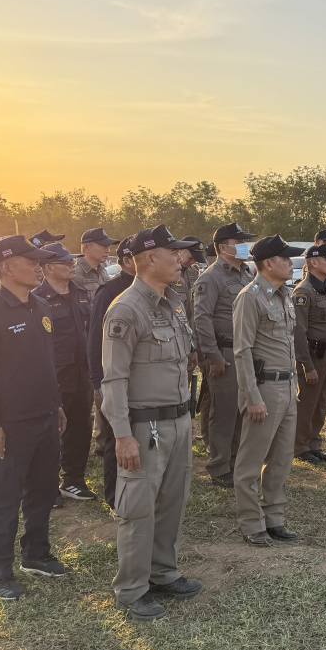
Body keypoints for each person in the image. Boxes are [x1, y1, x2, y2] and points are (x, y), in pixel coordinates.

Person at [101, 226, 203, 621]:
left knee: (172, 502)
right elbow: (114, 379)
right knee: (138, 509)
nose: (179, 259)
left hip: (178, 419)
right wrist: (122, 435)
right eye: (171, 253)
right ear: (147, 259)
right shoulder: (126, 310)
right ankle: (132, 589)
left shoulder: (172, 304)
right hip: (145, 429)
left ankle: (163, 572)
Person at [0, 236, 71, 600]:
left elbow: (46, 364)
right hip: (10, 425)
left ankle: (36, 554)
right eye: (31, 262)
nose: (38, 267)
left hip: (45, 417)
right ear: (7, 267)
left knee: (43, 490)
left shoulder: (40, 306)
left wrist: (56, 404)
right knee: (4, 498)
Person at [230, 235, 302, 547]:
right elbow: (242, 351)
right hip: (264, 389)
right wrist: (252, 397)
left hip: (287, 387)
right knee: (251, 461)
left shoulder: (284, 295)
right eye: (285, 259)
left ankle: (274, 518)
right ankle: (251, 523)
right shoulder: (250, 297)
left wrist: (294, 384)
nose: (290, 263)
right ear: (269, 263)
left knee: (282, 458)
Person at [192, 222, 256, 487]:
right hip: (224, 352)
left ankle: (235, 460)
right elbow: (202, 318)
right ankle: (219, 466)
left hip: (245, 351)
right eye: (238, 242)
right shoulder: (210, 277)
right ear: (222, 247)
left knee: (243, 410)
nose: (243, 246)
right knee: (224, 412)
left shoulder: (246, 273)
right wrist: (213, 355)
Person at [33, 242, 95, 503]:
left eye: (72, 261)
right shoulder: (37, 299)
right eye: (65, 262)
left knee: (81, 427)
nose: (72, 265)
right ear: (48, 268)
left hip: (83, 373)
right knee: (51, 431)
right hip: (55, 375)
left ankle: (73, 480)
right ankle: (46, 485)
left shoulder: (80, 293)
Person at [88, 238, 135, 505]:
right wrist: (98, 382)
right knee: (113, 436)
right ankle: (114, 496)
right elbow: (95, 340)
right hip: (112, 377)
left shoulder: (154, 290)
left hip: (137, 379)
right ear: (128, 261)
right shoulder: (109, 292)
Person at [293, 245, 326, 465]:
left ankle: (314, 443)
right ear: (312, 262)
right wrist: (307, 365)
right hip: (312, 354)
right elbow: (298, 332)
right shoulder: (303, 292)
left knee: (321, 402)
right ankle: (300, 446)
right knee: (307, 403)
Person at [74, 228, 116, 300]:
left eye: (109, 246)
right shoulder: (74, 273)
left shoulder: (102, 270)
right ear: (87, 247)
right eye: (104, 246)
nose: (108, 250)